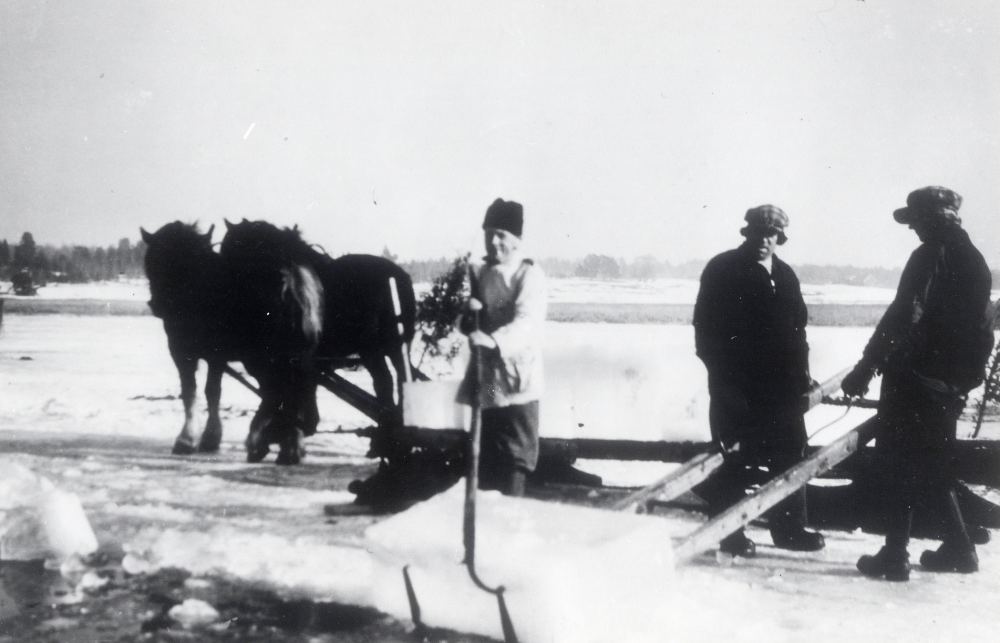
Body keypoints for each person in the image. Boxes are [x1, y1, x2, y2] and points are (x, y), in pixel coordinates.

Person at [842, 186, 994, 581]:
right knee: (932, 464)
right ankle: (960, 548)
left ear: (933, 219)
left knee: (899, 464)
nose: (913, 229)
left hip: (913, 378)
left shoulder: (929, 254)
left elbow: (903, 315)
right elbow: (984, 328)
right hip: (950, 383)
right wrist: (962, 379)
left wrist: (867, 366)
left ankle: (894, 556)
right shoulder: (975, 259)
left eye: (916, 221)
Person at [692, 205, 825, 557]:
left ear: (779, 238)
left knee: (791, 453)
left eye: (771, 234)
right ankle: (730, 535)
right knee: (733, 458)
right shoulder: (722, 269)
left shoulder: (785, 274)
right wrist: (724, 383)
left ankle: (790, 529)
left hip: (781, 388)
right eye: (757, 233)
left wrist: (803, 375)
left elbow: (798, 331)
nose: (763, 240)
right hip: (736, 386)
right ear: (746, 233)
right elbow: (705, 331)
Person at [457, 198, 547, 497]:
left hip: (518, 381)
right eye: (488, 234)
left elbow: (527, 322)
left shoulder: (528, 275)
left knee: (514, 458)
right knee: (486, 457)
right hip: (489, 382)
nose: (494, 242)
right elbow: (470, 321)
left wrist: (495, 341)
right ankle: (484, 522)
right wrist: (468, 319)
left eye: (501, 235)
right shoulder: (482, 273)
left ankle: (511, 516)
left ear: (517, 239)